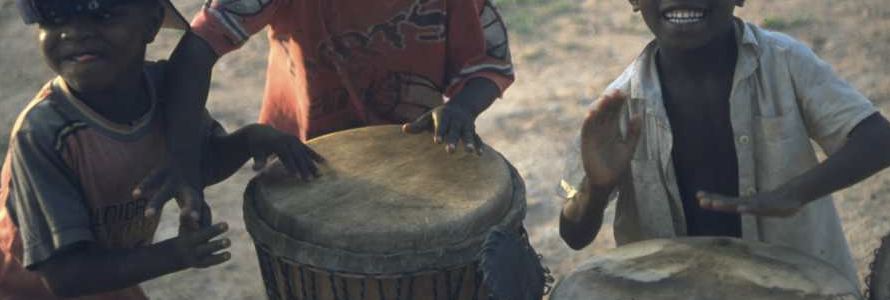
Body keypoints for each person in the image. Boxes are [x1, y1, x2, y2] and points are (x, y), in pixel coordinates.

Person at [558, 0, 890, 286]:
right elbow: (574, 235)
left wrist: (795, 193)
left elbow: (877, 139)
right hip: (672, 289)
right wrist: (597, 189)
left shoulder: (786, 63)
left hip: (796, 285)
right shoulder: (618, 107)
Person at [0, 0, 318, 298]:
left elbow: (194, 167)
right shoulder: (43, 134)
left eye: (103, 15)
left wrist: (249, 140)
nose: (75, 33)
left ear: (152, 22)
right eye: (54, 19)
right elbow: (63, 275)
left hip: (110, 281)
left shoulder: (168, 92)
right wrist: (174, 254)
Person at [148, 0, 515, 224]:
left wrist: (463, 108)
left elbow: (489, 63)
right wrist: (184, 163)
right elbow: (197, 47)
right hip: (309, 162)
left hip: (416, 160)